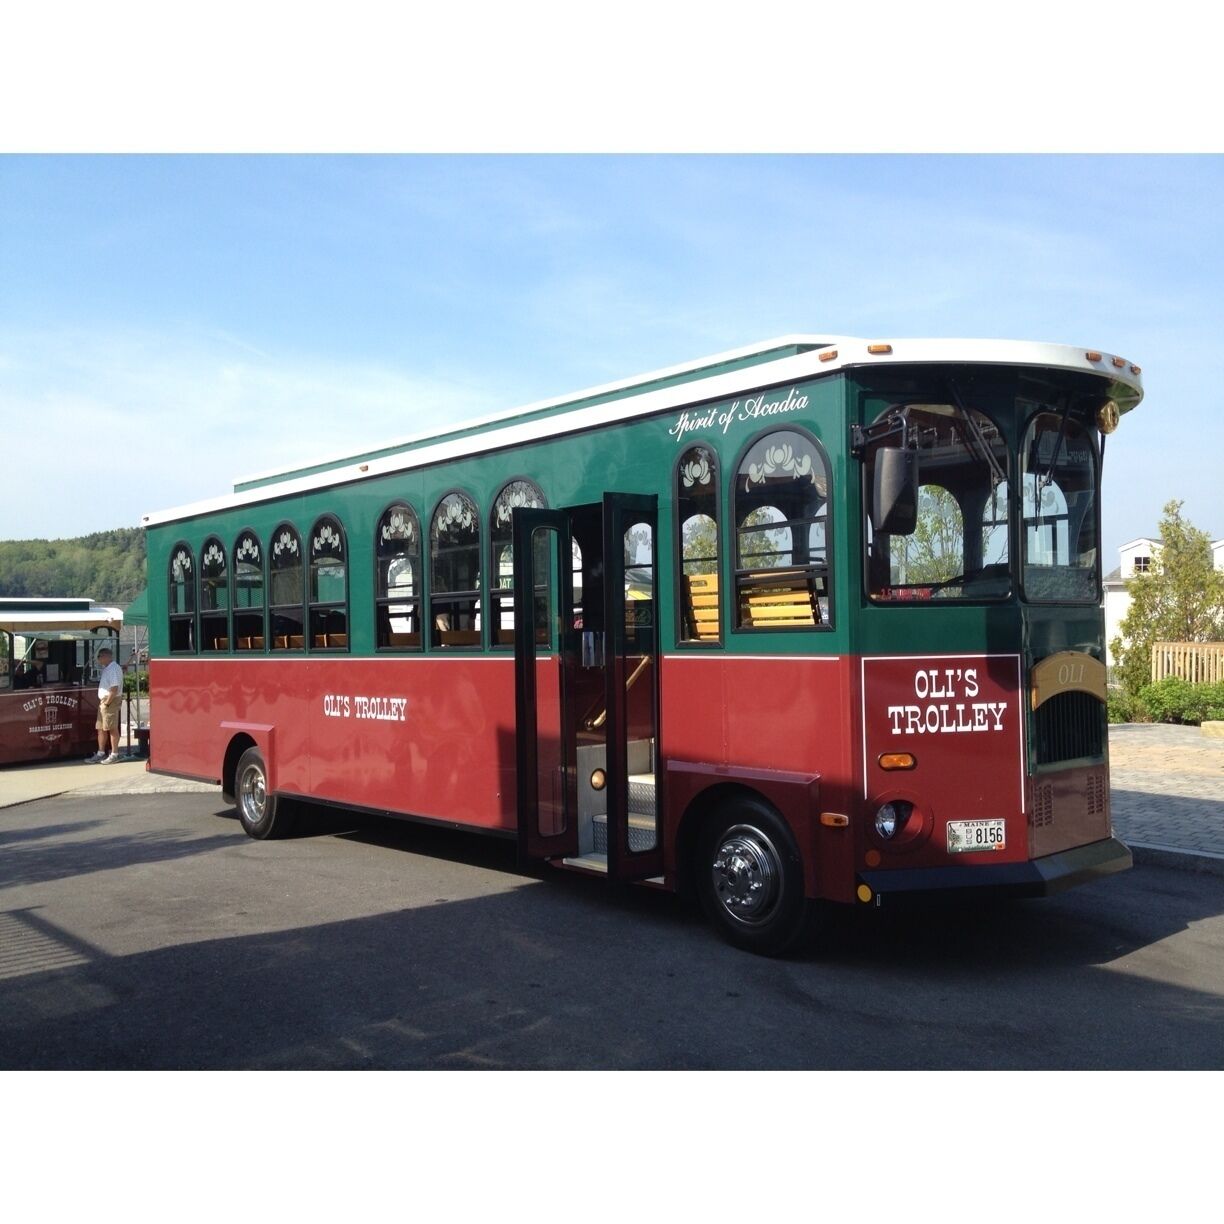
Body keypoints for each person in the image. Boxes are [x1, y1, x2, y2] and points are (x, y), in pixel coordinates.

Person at [85, 647, 124, 763]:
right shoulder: (107, 669)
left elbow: (114, 688)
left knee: (111, 728)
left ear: (106, 656)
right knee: (101, 728)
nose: (98, 660)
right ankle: (101, 753)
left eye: (99, 657)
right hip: (104, 701)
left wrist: (107, 703)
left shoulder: (113, 669)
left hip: (110, 701)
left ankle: (114, 754)